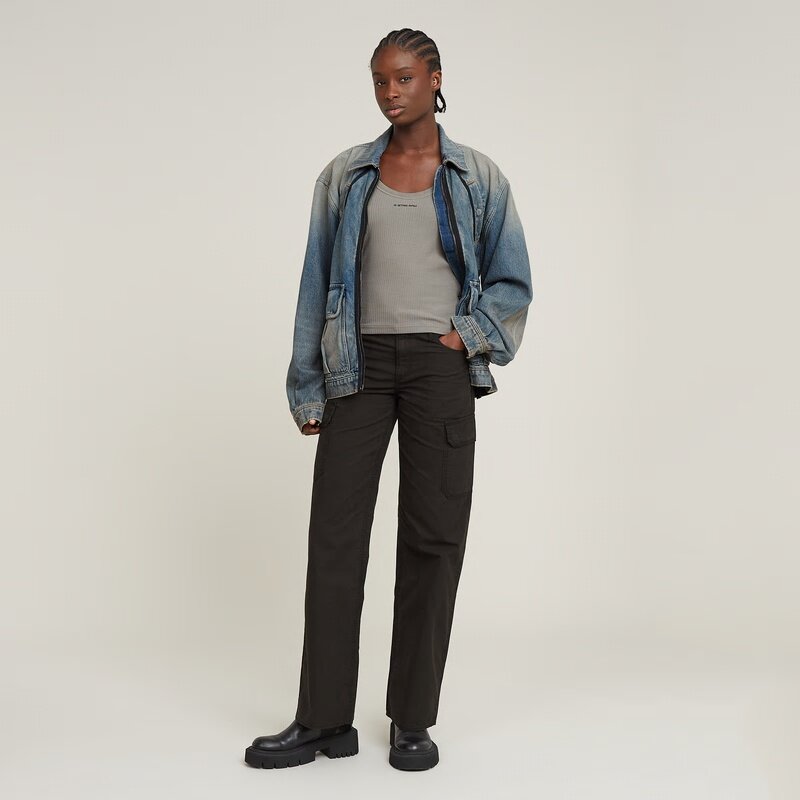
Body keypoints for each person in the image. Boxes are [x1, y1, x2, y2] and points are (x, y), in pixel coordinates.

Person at [244, 27, 533, 772]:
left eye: (404, 77)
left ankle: (412, 719)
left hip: (439, 367)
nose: (390, 92)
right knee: (335, 537)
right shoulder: (347, 176)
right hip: (358, 365)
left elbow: (512, 282)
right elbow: (316, 282)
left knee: (433, 538)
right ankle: (323, 720)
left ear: (435, 79)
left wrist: (465, 336)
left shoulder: (477, 177)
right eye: (380, 80)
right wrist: (307, 384)